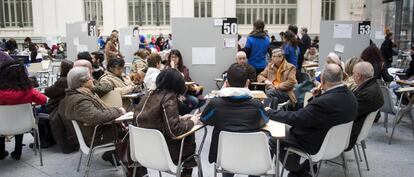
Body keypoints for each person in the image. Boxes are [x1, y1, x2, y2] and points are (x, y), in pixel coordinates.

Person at [266, 64, 357, 177]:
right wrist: (318, 97)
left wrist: (270, 112)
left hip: (315, 142)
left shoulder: (323, 102)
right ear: (341, 78)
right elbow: (315, 115)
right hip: (337, 142)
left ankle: (298, 169)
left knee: (275, 138)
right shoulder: (351, 96)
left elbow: (297, 118)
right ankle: (307, 167)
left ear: (322, 79)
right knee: (284, 129)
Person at [201, 64, 269, 177]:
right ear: (247, 83)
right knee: (256, 164)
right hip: (252, 156)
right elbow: (265, 120)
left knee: (227, 162)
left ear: (226, 83)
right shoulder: (256, 105)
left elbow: (205, 119)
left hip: (225, 157)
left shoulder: (216, 104)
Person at [134, 68, 200, 177]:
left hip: (143, 151)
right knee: (189, 136)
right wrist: (192, 121)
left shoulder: (148, 94)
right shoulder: (169, 97)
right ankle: (186, 171)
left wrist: (179, 118)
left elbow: (153, 119)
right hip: (164, 153)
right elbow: (174, 131)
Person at [63, 66, 126, 165]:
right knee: (131, 133)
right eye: (90, 78)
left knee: (129, 131)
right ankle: (134, 169)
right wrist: (118, 111)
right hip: (96, 137)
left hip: (96, 132)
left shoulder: (79, 95)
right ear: (82, 82)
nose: (93, 79)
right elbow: (96, 117)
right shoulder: (80, 100)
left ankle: (115, 155)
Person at [0, 61, 47, 160]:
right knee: (19, 120)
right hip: (24, 125)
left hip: (2, 126)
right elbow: (43, 100)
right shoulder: (29, 91)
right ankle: (18, 152)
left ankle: (1, 151)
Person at [345, 61, 384, 151]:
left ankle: (312, 162)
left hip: (349, 134)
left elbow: (348, 113)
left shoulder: (367, 94)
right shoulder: (373, 86)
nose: (352, 76)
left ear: (359, 76)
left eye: (353, 73)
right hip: (357, 128)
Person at [167, 49, 205, 114]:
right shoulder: (168, 69)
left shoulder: (183, 68)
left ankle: (184, 113)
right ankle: (183, 114)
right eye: (172, 57)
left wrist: (194, 85)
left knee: (202, 100)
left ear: (179, 58)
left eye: (175, 57)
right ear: (169, 58)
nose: (173, 59)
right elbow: (171, 81)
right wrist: (172, 68)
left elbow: (188, 79)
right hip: (175, 94)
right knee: (194, 101)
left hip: (185, 92)